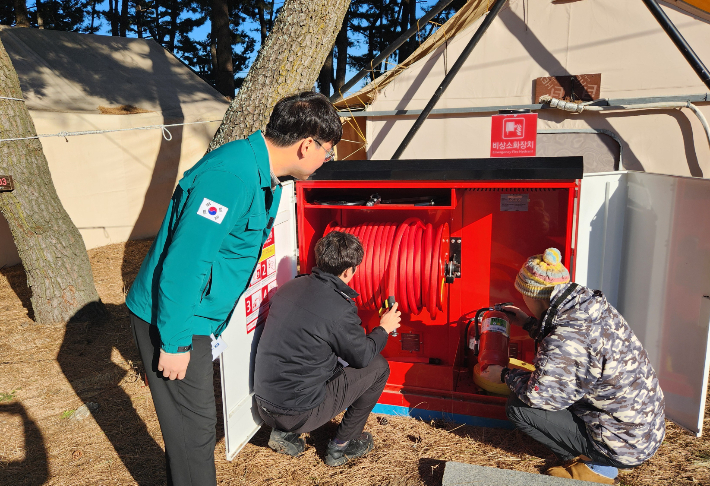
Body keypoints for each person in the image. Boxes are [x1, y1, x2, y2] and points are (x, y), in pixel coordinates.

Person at [125, 91, 342, 486]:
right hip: (175, 315)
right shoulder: (230, 178)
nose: (327, 160)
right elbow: (185, 263)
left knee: (190, 426)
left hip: (196, 313)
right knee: (195, 428)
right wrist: (173, 342)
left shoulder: (265, 177)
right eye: (328, 151)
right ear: (306, 144)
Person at [499, 248, 666, 485]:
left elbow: (541, 398)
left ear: (533, 295)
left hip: (622, 443)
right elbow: (576, 349)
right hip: (643, 431)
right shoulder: (590, 307)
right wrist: (528, 323)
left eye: (522, 293)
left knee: (519, 407)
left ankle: (596, 469)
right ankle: (602, 458)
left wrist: (505, 375)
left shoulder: (566, 337)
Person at [253, 230, 401, 467]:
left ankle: (282, 432)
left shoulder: (290, 287)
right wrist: (383, 329)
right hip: (298, 413)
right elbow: (362, 357)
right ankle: (343, 445)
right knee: (378, 367)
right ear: (348, 271)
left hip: (264, 406)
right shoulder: (340, 309)